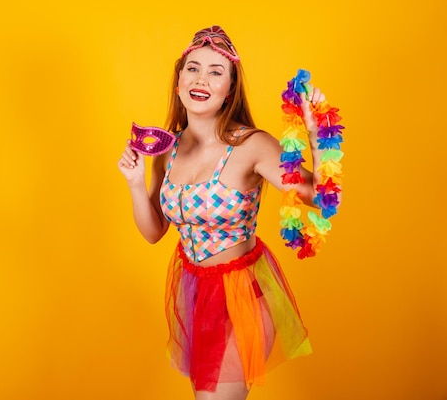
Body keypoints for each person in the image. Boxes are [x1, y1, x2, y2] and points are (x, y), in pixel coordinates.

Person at [117, 25, 326, 400]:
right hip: (194, 291)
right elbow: (152, 233)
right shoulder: (166, 146)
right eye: (193, 68)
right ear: (178, 82)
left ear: (230, 89)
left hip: (242, 295)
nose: (202, 79)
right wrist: (135, 182)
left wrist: (317, 135)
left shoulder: (252, 146)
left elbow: (320, 196)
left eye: (216, 72)